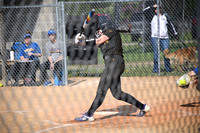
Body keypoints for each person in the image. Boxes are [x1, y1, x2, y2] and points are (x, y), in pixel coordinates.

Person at [74, 20, 151, 122]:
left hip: (114, 61)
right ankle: (143, 107)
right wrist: (81, 41)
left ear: (105, 28)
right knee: (117, 94)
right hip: (113, 64)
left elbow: (98, 40)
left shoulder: (112, 30)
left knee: (101, 89)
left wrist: (86, 40)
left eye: (100, 30)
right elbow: (92, 43)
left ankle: (89, 115)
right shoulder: (102, 40)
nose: (99, 32)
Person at [143, 4, 178, 73]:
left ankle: (168, 68)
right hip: (155, 37)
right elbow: (144, 11)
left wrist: (175, 33)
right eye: (156, 8)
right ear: (154, 10)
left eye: (159, 8)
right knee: (156, 54)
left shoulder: (165, 16)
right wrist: (152, 6)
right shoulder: (152, 16)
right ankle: (156, 69)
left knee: (166, 54)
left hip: (165, 38)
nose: (158, 9)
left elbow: (171, 25)